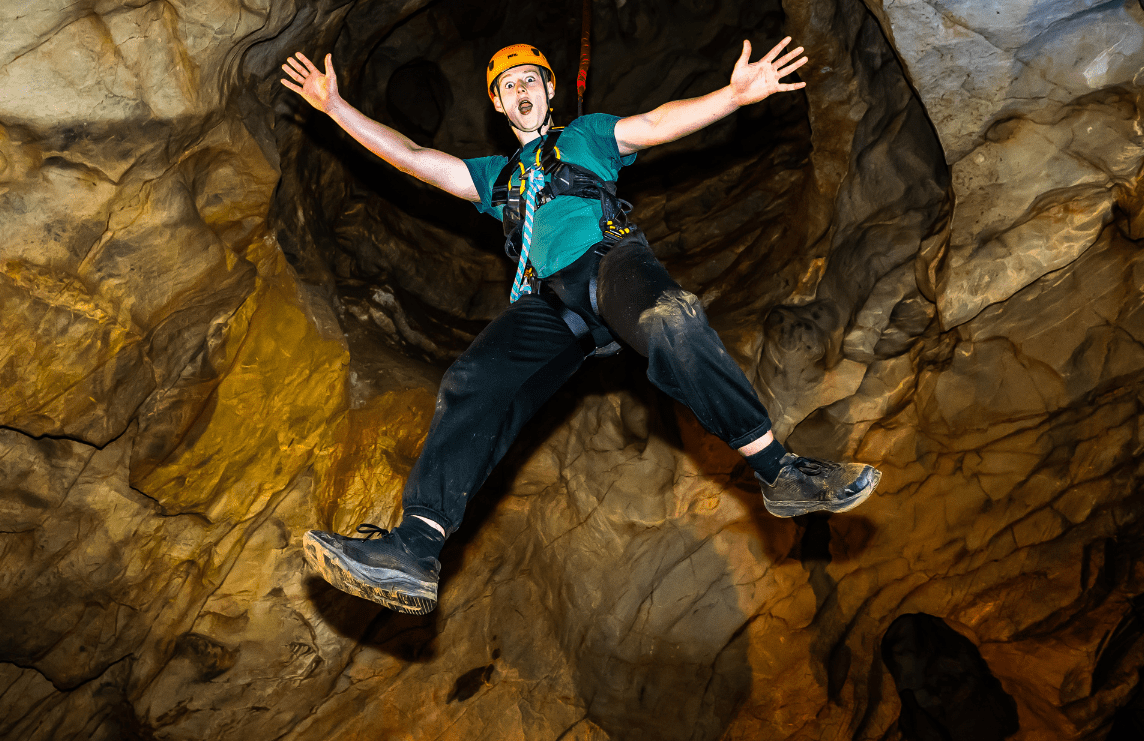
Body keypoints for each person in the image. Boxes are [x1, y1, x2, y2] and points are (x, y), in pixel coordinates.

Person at [281, 39, 880, 614]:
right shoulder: (496, 177)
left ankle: (781, 472)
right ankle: (414, 549)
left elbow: (654, 123)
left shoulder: (586, 135)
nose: (520, 89)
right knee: (474, 379)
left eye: (529, 80)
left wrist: (731, 96)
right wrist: (335, 107)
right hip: (551, 305)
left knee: (670, 321)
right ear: (497, 103)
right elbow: (413, 158)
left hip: (610, 264)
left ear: (549, 89)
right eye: (507, 85)